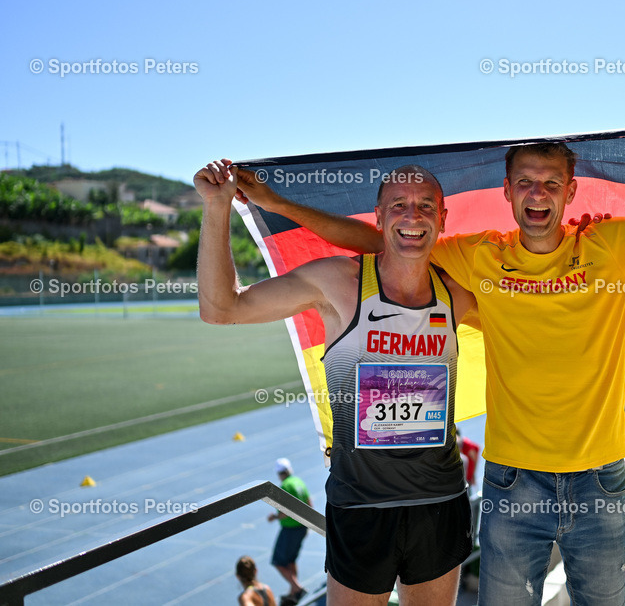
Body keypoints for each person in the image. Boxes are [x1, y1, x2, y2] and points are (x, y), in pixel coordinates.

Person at [234, 116, 625, 605]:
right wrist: (277, 203)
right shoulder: (477, 257)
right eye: (525, 182)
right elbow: (382, 241)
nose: (537, 194)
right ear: (506, 192)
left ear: (570, 192)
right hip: (510, 483)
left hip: (599, 481)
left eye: (551, 183)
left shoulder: (610, 246)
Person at [195, 161, 476, 605]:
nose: (413, 215)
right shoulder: (339, 282)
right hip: (360, 507)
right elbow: (221, 308)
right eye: (398, 206)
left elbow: (534, 309)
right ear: (378, 218)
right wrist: (217, 206)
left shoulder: (457, 293)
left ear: (443, 218)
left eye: (426, 206)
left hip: (438, 503)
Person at [267, 458, 311, 606]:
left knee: (278, 561)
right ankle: (293, 593)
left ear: (279, 473)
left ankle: (297, 588)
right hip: (301, 527)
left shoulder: (285, 486)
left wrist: (274, 517)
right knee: (291, 559)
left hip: (290, 528)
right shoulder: (298, 481)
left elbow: (286, 512)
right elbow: (309, 502)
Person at [455, 428, 481, 492]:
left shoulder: (467, 445)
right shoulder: (459, 444)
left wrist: (473, 475)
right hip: (463, 475)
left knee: (467, 491)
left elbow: (475, 459)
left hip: (467, 475)